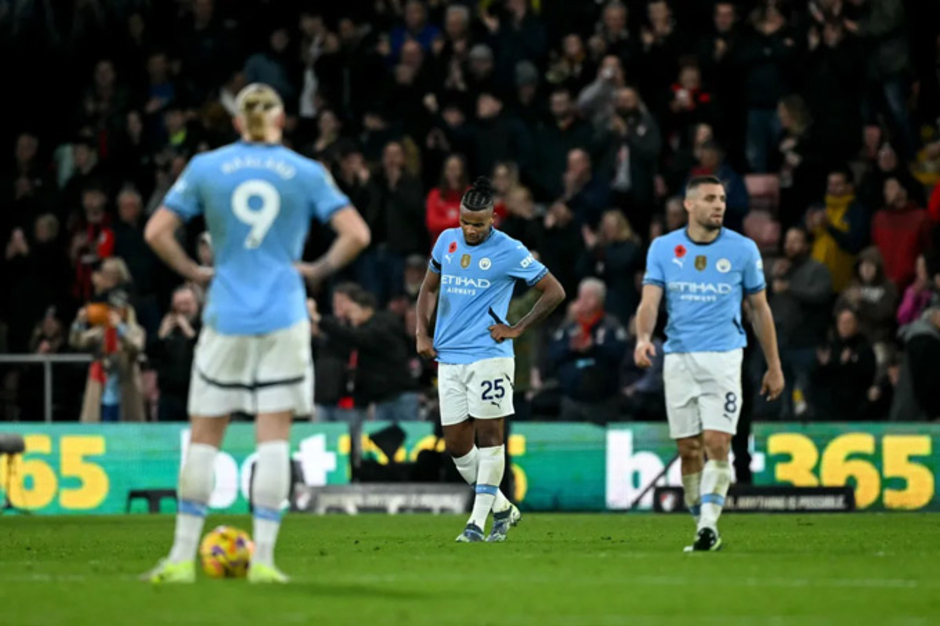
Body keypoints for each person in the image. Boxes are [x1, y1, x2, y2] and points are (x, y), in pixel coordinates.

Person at [142, 83, 370, 584]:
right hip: (285, 318)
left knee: (204, 439)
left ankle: (181, 559)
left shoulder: (206, 168)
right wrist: (315, 269)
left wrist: (191, 270)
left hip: (225, 315)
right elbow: (357, 232)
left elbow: (156, 230)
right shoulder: (307, 173)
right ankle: (264, 561)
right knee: (274, 441)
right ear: (281, 120)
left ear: (238, 122)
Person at [634, 175, 784, 552]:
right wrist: (642, 338)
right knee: (689, 449)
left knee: (718, 442)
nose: (719, 205)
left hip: (725, 357)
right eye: (710, 199)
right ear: (689, 205)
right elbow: (650, 301)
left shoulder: (743, 249)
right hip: (678, 357)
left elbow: (759, 309)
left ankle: (708, 526)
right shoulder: (663, 248)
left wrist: (774, 365)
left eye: (721, 199)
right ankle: (699, 513)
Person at [416, 177, 565, 543]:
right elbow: (428, 288)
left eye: (478, 224)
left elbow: (554, 291)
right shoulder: (446, 241)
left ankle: (475, 523)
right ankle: (503, 508)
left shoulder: (511, 250)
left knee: (490, 437)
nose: (470, 229)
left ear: (493, 219)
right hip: (449, 359)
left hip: (489, 356)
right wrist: (422, 333)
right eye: (465, 221)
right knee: (456, 445)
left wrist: (517, 328)